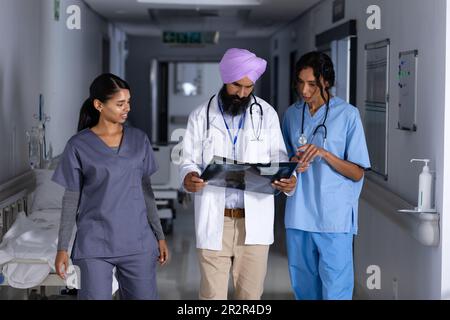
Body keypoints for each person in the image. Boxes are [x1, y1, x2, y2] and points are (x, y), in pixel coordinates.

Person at [179, 48, 297, 300]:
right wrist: (189, 176)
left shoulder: (267, 114)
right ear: (225, 79)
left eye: (249, 87)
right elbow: (187, 159)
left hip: (254, 223)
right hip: (215, 220)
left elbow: (279, 158)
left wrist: (288, 179)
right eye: (237, 85)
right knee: (212, 297)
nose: (242, 93)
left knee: (250, 297)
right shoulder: (201, 116)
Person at [52, 73, 169, 300]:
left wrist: (160, 235)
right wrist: (62, 248)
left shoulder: (139, 140)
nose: (127, 108)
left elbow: (147, 192)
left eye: (128, 102)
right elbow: (70, 199)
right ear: (99, 105)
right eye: (120, 104)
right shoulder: (78, 145)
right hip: (96, 244)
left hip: (138, 241)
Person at [281, 51, 371, 300]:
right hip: (299, 216)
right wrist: (292, 164)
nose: (304, 90)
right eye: (300, 82)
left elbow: (356, 172)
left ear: (326, 82)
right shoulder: (291, 114)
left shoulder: (348, 115)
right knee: (304, 291)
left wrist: (324, 153)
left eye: (312, 84)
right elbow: (283, 164)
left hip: (333, 219)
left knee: (336, 292)